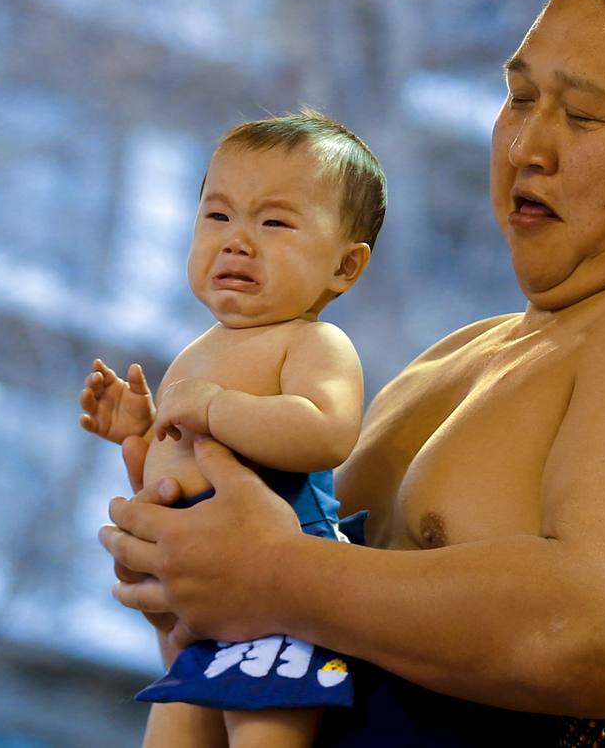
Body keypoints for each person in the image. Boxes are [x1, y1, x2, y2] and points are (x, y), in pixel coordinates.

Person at [100, 0, 605, 747]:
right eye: (518, 98)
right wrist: (194, 569)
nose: (527, 146)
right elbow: (322, 605)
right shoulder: (473, 351)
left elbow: (602, 631)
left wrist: (271, 571)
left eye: (581, 115)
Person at [79, 110, 387, 747]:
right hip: (202, 601)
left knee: (265, 736)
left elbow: (327, 431)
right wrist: (139, 440)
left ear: (345, 266)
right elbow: (179, 480)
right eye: (218, 216)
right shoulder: (198, 353)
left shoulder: (313, 343)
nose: (237, 240)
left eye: (273, 222)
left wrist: (215, 407)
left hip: (283, 600)